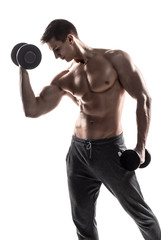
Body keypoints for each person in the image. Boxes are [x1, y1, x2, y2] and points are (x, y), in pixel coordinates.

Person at [19, 19, 161, 239]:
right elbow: (32, 109)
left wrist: (141, 147)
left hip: (110, 151)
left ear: (70, 38)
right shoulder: (64, 77)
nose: (56, 56)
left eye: (57, 49)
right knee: (82, 221)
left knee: (140, 213)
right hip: (77, 153)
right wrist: (23, 69)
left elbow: (144, 98)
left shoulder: (115, 58)